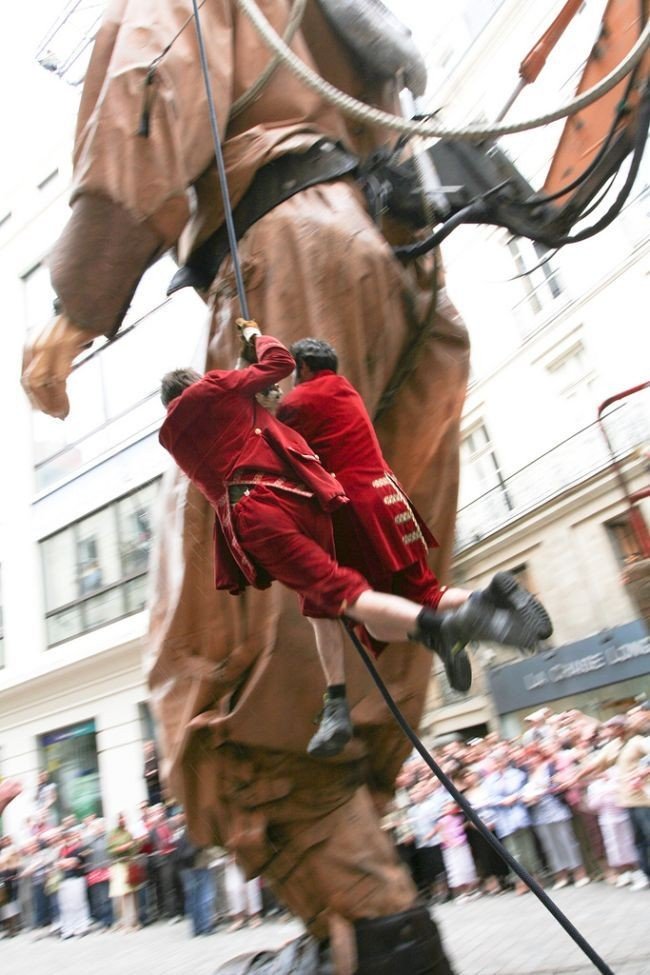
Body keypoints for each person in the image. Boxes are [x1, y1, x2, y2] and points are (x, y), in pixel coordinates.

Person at [20, 2, 475, 969]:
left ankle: (371, 934)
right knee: (372, 600)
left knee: (224, 644)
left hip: (297, 253)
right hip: (412, 280)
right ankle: (361, 917)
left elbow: (155, 80)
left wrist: (77, 307)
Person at [160, 325, 535, 759]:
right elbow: (265, 400)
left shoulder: (184, 430)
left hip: (314, 507)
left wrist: (258, 384)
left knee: (344, 601)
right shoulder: (345, 392)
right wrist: (255, 343)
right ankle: (472, 604)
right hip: (353, 498)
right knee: (395, 594)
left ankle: (437, 633)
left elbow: (271, 414)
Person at [277, 336, 552, 674]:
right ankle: (481, 601)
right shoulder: (347, 391)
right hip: (392, 501)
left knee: (370, 617)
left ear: (303, 367)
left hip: (356, 509)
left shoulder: (298, 402)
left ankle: (456, 624)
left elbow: (274, 448)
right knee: (426, 594)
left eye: (293, 372)